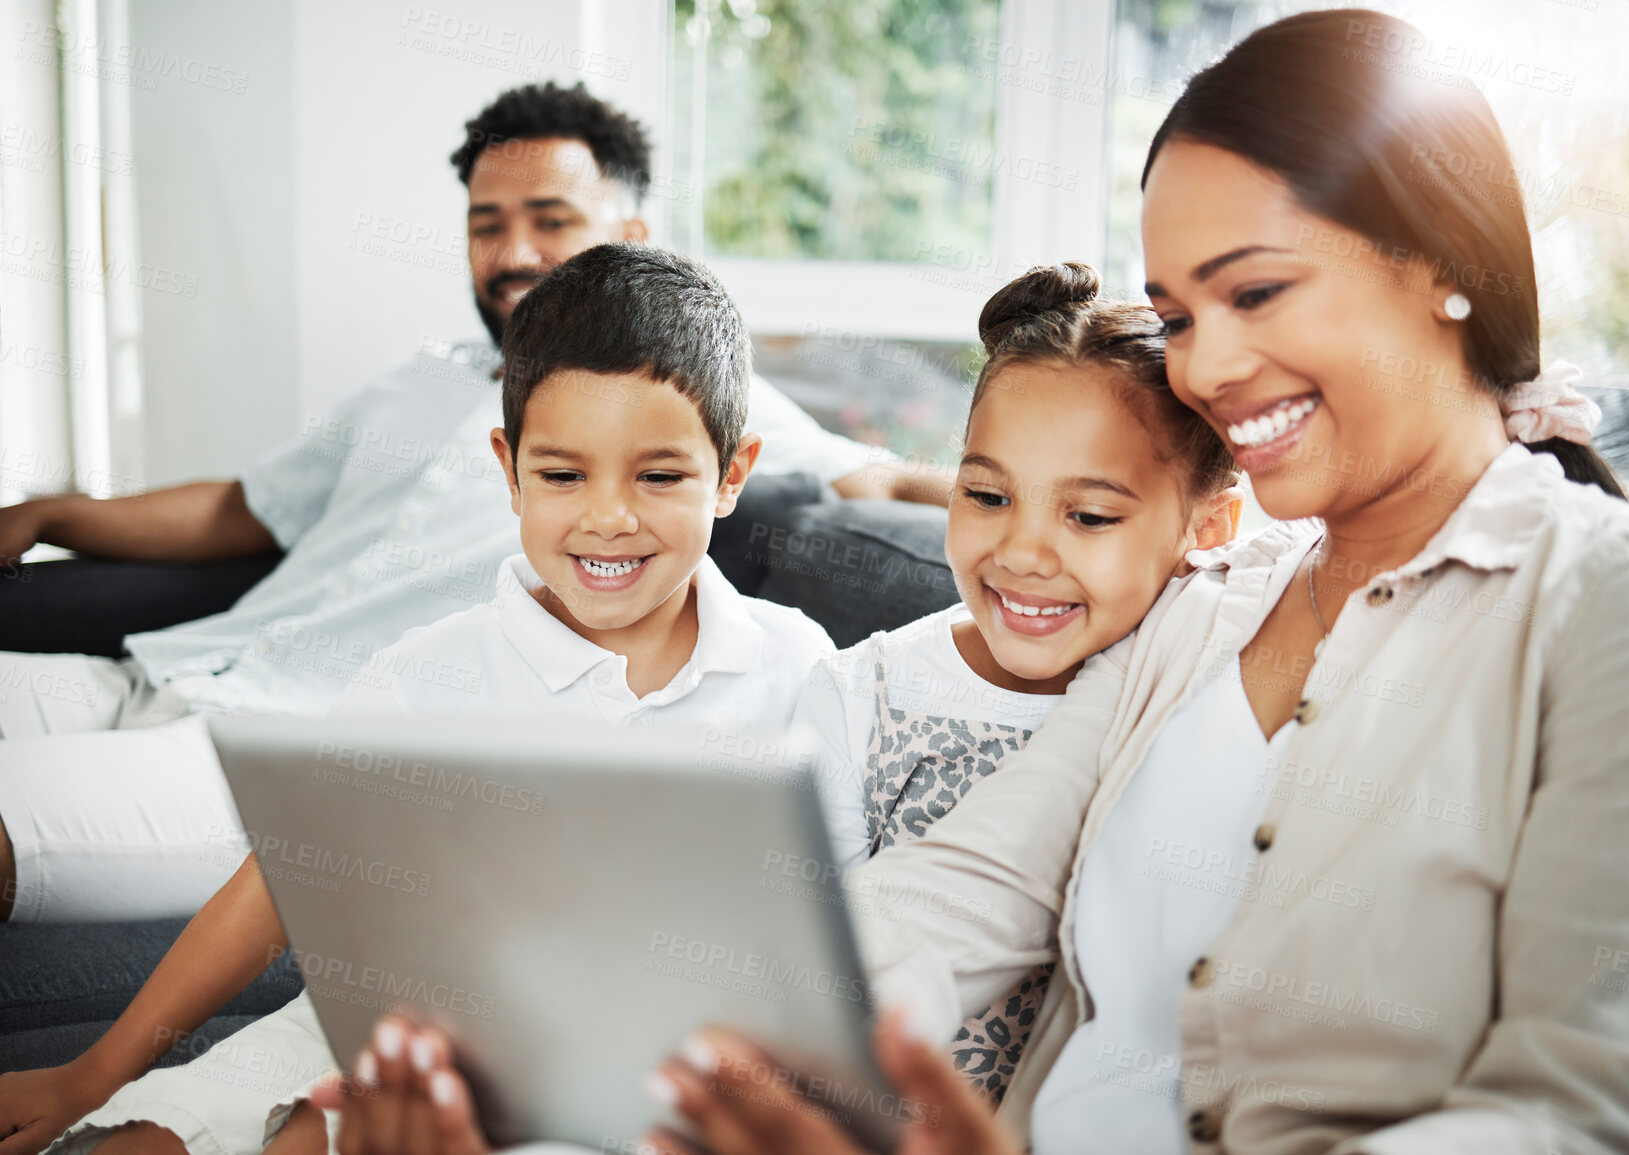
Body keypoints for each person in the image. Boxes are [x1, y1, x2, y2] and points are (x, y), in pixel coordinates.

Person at [303, 10, 1629, 1154]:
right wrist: (591, 1063)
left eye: (1256, 292)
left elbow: (1595, 1111)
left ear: (1442, 265)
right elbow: (948, 899)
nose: (1208, 366)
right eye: (1178, 314)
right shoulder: (1197, 614)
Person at [0, 81, 947, 927]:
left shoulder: (680, 401)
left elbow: (888, 479)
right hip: (163, 669)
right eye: (486, 222)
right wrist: (55, 513)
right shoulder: (419, 380)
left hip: (280, 744)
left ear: (630, 238)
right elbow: (249, 509)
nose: (513, 250)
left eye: (550, 218)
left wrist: (1045, 504)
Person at [3, 243, 837, 1155]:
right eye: (563, 475)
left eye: (659, 475)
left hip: (633, 1076)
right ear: (509, 468)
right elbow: (286, 876)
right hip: (378, 1029)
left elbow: (828, 934)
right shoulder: (431, 668)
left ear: (732, 473)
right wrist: (99, 1069)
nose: (608, 516)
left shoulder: (793, 667)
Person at [790, 263, 1238, 1104]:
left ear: (1207, 526)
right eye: (986, 494)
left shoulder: (1205, 693)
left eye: (1089, 516)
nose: (1023, 554)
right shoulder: (861, 693)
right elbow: (803, 973)